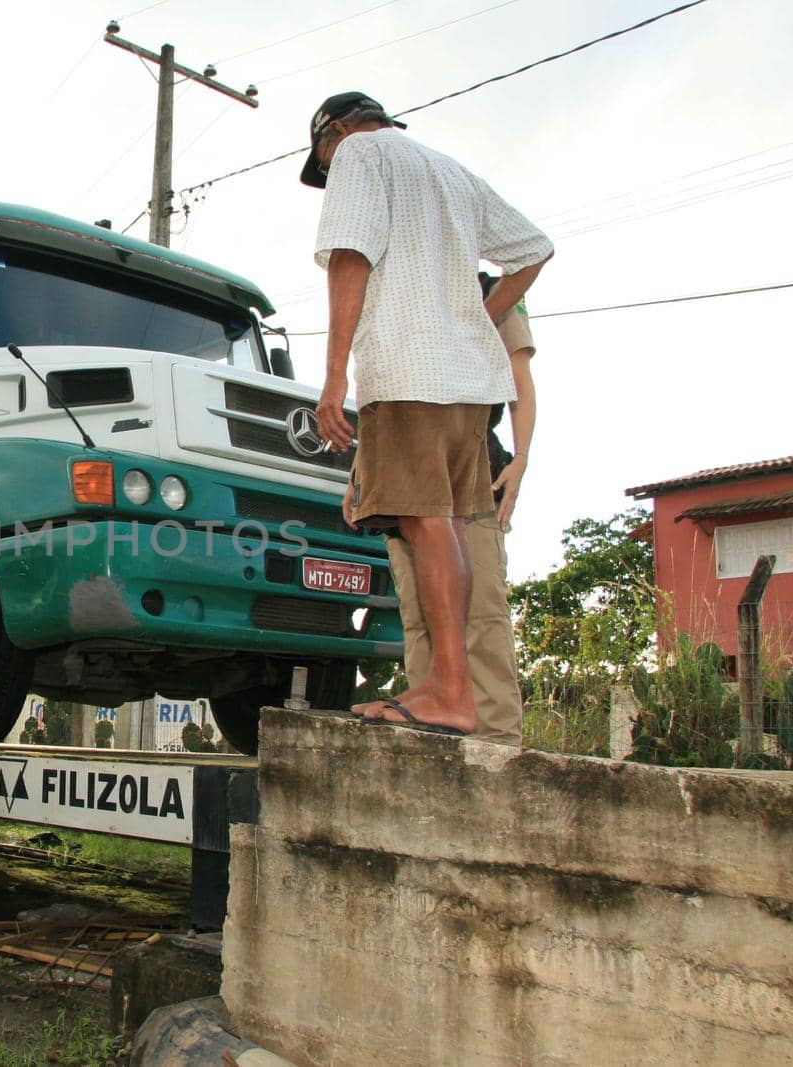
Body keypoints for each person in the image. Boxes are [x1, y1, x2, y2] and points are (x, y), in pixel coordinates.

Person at [301, 90, 552, 735]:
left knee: (426, 523)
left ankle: (454, 694)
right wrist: (475, 322)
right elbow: (532, 249)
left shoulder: (359, 153)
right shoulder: (449, 169)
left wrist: (334, 379)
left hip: (409, 372)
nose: (327, 173)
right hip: (468, 387)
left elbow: (350, 257)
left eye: (321, 160)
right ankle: (445, 688)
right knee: (443, 523)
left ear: (335, 132)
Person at [363, 273, 537, 744]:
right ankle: (430, 735)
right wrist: (360, 471)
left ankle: (499, 745)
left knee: (480, 616)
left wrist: (521, 459)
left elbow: (519, 377)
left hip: (471, 473)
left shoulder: (487, 287)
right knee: (420, 620)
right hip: (402, 474)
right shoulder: (390, 289)